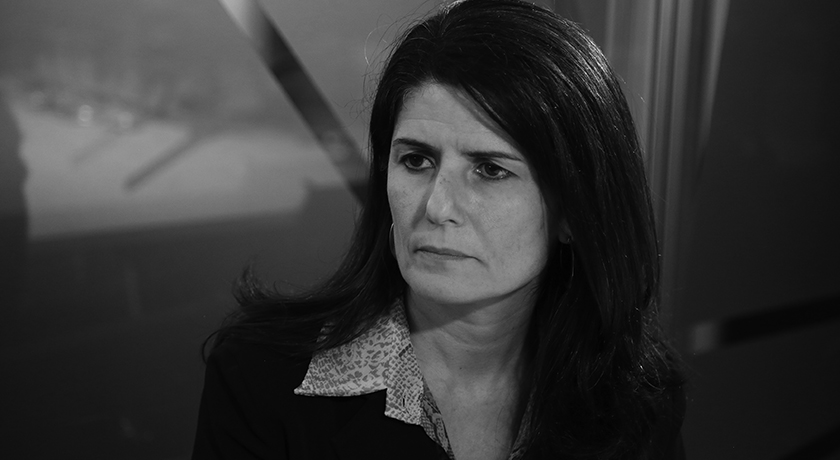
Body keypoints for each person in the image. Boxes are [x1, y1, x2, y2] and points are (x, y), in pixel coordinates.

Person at [192, 0, 685, 459]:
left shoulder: (635, 399)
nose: (437, 206)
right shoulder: (260, 378)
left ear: (573, 212)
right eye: (416, 160)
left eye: (490, 169)